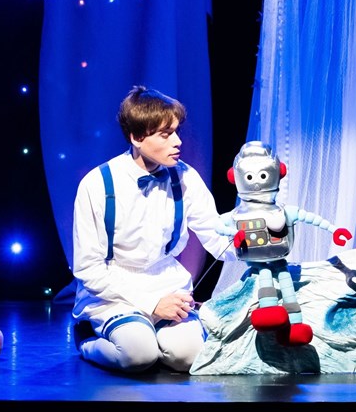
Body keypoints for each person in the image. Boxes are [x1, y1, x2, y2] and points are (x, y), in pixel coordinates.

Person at [70, 85, 237, 373]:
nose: (178, 141)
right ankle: (87, 341)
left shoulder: (185, 177)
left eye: (177, 131)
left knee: (188, 357)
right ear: (137, 137)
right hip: (114, 292)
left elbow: (217, 236)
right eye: (165, 134)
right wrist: (150, 303)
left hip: (166, 286)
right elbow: (88, 268)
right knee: (139, 355)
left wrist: (251, 243)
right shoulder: (97, 184)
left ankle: (154, 336)